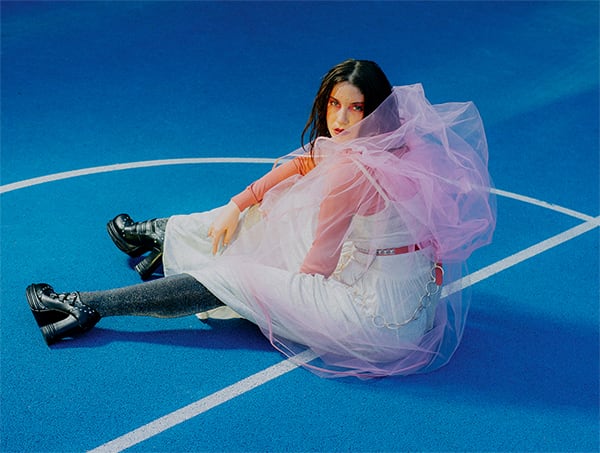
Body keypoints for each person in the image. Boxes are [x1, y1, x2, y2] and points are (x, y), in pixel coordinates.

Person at [26, 59, 496, 378]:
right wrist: (241, 202)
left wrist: (262, 282)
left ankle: (86, 304)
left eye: (356, 107)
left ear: (374, 109)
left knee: (238, 272)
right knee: (270, 213)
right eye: (335, 104)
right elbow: (309, 161)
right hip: (413, 305)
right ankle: (160, 237)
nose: (342, 118)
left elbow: (318, 267)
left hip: (372, 321)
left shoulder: (352, 172)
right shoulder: (404, 145)